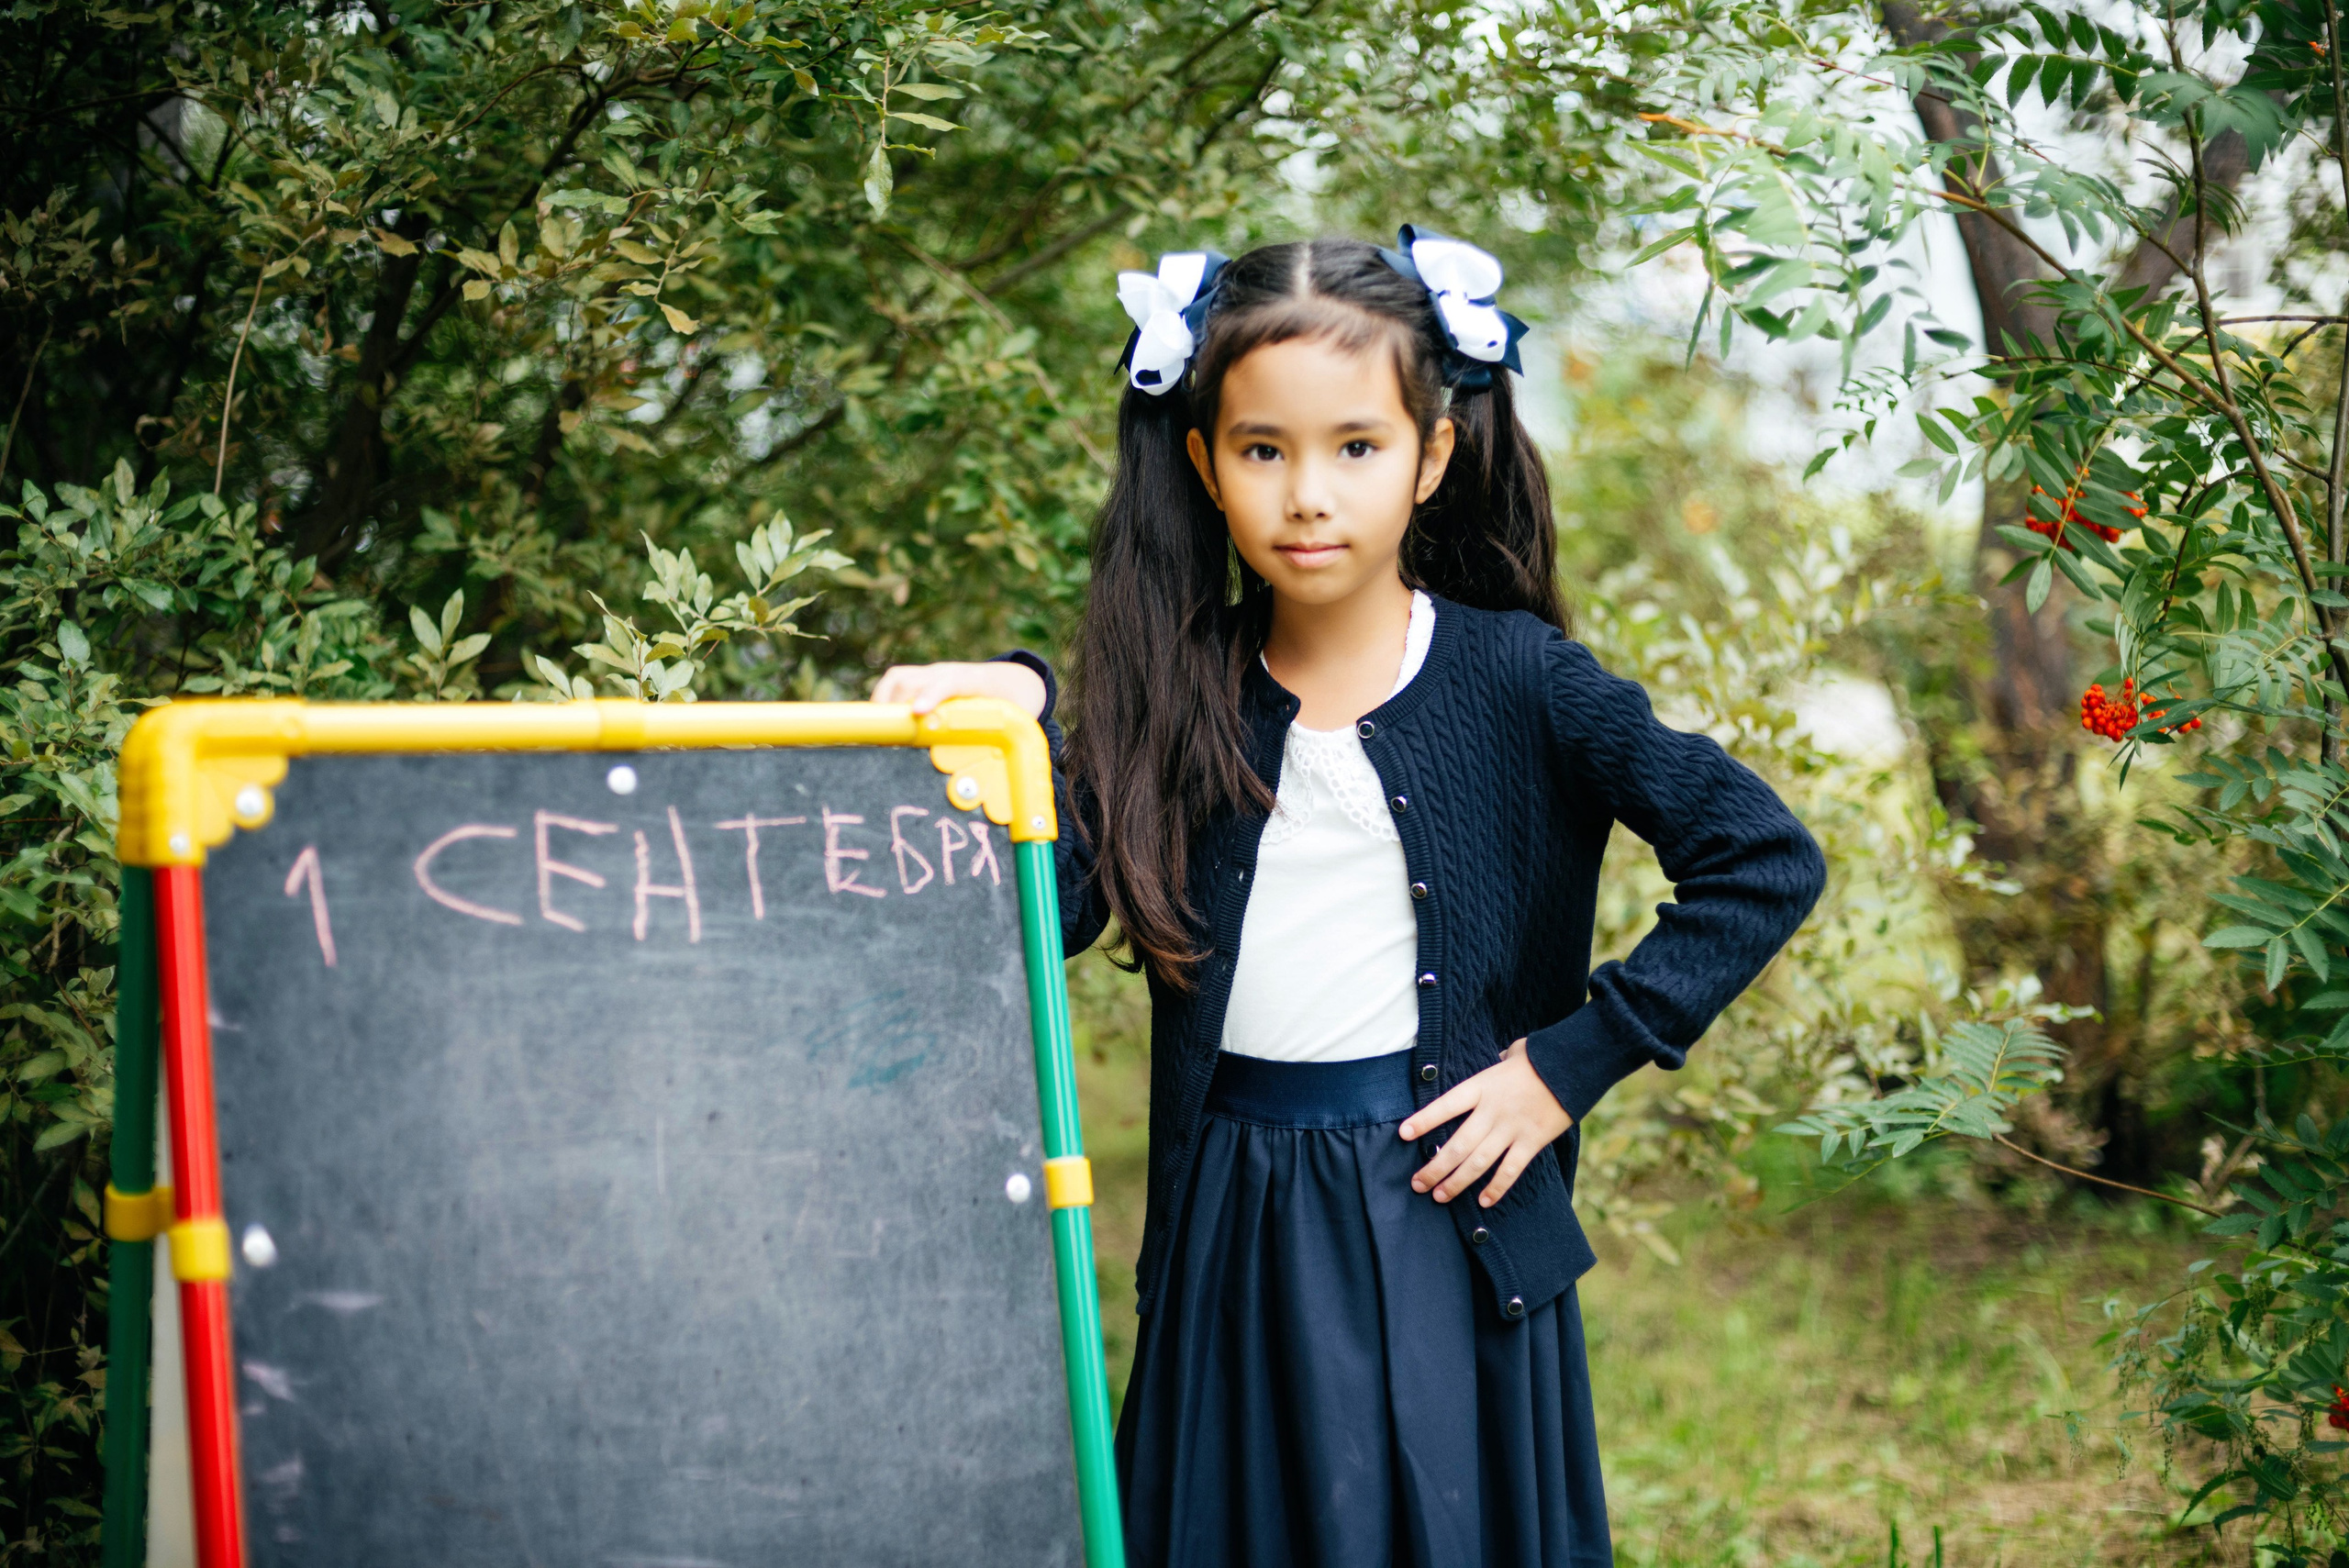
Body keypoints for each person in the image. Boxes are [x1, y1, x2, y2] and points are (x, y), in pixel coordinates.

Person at [872, 230, 1826, 1568]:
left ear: (1432, 455)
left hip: (1445, 1198)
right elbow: (1057, 904)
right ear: (1203, 462)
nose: (1308, 494)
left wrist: (1563, 1069)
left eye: (1356, 447)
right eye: (1263, 449)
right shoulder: (1180, 690)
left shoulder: (1521, 680)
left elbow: (1763, 857)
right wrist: (1023, 713)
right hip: (1233, 1216)